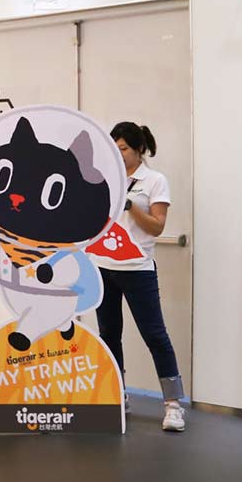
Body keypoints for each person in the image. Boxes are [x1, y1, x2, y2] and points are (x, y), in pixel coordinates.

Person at [95, 121, 187, 432]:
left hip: (137, 269)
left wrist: (131, 206)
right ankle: (117, 395)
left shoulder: (155, 180)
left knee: (155, 336)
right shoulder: (107, 179)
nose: (118, 153)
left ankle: (173, 405)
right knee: (109, 334)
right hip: (102, 267)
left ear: (139, 149)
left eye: (123, 148)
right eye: (114, 148)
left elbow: (157, 226)